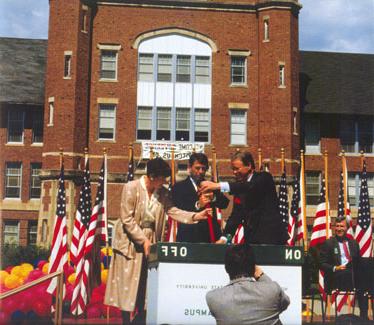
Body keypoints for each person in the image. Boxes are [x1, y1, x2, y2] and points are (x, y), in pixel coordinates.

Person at [104, 158, 210, 324]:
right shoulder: (131, 188)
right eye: (163, 179)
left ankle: (142, 319)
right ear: (152, 176)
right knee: (128, 287)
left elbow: (172, 211)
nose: (165, 182)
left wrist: (195, 216)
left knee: (146, 285)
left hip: (152, 239)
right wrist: (143, 241)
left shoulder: (163, 192)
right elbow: (127, 219)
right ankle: (126, 321)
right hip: (130, 243)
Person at [199, 151, 288, 245]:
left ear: (249, 165)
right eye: (233, 169)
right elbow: (236, 215)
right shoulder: (239, 187)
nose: (234, 172)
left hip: (272, 240)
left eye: (237, 169)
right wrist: (224, 238)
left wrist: (218, 186)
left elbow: (250, 187)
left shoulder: (264, 178)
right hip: (251, 240)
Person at [206, 244, 290, 325]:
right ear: (253, 267)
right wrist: (261, 275)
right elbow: (285, 302)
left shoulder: (213, 298)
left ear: (226, 269)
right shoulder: (273, 289)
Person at [172, 153, 229, 243]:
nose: (201, 171)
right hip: (189, 236)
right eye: (197, 168)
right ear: (189, 168)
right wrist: (198, 205)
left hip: (210, 236)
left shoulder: (211, 185)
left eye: (204, 168)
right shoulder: (179, 187)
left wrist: (214, 197)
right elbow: (178, 209)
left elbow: (225, 203)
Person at [319, 216, 368, 320]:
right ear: (334, 228)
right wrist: (335, 268)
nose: (339, 228)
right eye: (337, 226)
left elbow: (358, 262)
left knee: (367, 275)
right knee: (359, 278)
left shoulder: (354, 243)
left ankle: (364, 317)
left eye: (342, 226)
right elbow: (322, 264)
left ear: (347, 228)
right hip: (336, 276)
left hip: (353, 275)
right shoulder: (329, 243)